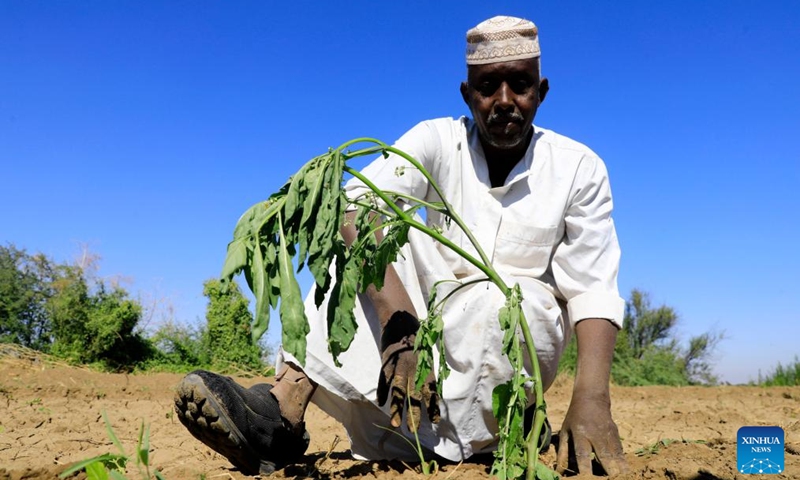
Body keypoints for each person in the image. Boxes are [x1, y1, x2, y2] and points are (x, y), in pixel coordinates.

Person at [174, 15, 629, 477]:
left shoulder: (579, 169)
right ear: (467, 93)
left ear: (542, 91)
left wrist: (591, 400)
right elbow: (353, 209)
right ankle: (281, 413)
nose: (504, 100)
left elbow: (592, 288)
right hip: (415, 351)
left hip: (508, 358)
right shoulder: (435, 141)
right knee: (360, 244)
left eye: (521, 84)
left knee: (513, 298)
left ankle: (502, 428)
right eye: (489, 85)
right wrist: (400, 326)